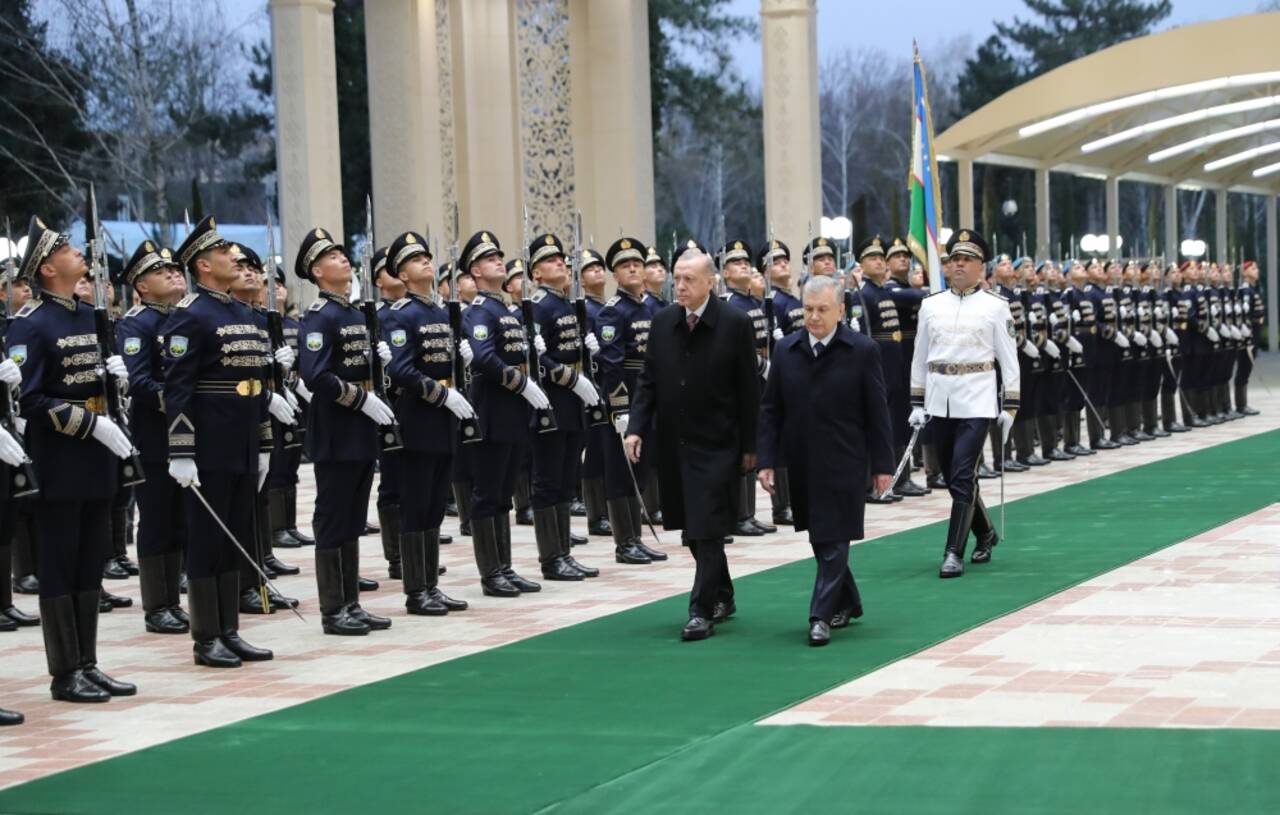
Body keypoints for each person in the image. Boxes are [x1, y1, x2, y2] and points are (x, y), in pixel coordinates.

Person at [10, 215, 136, 700]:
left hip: (98, 459)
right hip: (61, 458)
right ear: (46, 268)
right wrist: (90, 423)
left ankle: (89, 661)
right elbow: (31, 400)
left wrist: (115, 384)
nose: (78, 253)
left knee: (91, 562)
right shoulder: (30, 324)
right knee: (61, 564)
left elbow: (97, 382)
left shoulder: (91, 316)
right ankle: (65, 672)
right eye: (66, 248)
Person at [623, 245, 759, 642]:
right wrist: (636, 427)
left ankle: (700, 610)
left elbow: (749, 389)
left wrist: (752, 445)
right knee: (692, 529)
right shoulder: (663, 322)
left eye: (688, 280)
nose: (679, 286)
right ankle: (724, 592)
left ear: (709, 283)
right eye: (676, 278)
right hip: (674, 442)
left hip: (719, 442)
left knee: (708, 525)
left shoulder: (734, 323)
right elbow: (648, 380)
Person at [163, 216, 276, 668]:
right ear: (204, 265)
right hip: (208, 447)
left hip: (243, 442)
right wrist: (182, 451)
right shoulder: (190, 316)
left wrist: (264, 441)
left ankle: (230, 629)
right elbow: (177, 389)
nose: (236, 258)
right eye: (225, 253)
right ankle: (206, 636)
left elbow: (258, 383)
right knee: (208, 542)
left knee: (236, 538)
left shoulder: (243, 312)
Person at [758, 276, 893, 646]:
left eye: (822, 310)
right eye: (808, 309)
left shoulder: (862, 350)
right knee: (821, 538)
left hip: (845, 460)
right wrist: (766, 460)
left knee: (834, 538)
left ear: (840, 311)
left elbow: (877, 413)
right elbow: (771, 410)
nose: (814, 318)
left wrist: (883, 466)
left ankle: (820, 615)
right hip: (801, 462)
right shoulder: (786, 350)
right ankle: (848, 600)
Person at [296, 227, 394, 635]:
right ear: (317, 271)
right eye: (333, 257)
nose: (344, 260)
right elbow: (316, 375)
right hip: (337, 428)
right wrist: (361, 399)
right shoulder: (320, 317)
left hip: (359, 429)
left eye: (342, 253)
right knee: (334, 517)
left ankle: (351, 602)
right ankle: (333, 609)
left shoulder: (356, 313)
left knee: (354, 515)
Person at [909, 228, 1019, 579]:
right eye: (954, 259)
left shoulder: (995, 307)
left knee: (961, 475)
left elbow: (1009, 359)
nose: (958, 265)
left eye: (966, 259)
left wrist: (1010, 406)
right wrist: (916, 401)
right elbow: (919, 356)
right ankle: (985, 532)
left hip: (977, 399)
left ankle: (952, 552)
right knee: (954, 476)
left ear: (981, 267)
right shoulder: (931, 305)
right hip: (940, 399)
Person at [381, 231, 472, 614]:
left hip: (442, 420)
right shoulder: (403, 315)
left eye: (427, 256)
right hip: (418, 418)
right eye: (416, 259)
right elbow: (401, 370)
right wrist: (441, 393)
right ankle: (416, 590)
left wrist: (461, 366)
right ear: (402, 274)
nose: (426, 262)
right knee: (417, 504)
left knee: (435, 505)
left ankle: (431, 584)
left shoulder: (440, 311)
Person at [460, 230, 546, 596]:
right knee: (487, 492)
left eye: (499, 255)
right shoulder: (480, 311)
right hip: (491, 411)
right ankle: (490, 572)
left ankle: (505, 567)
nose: (499, 261)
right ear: (476, 272)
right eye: (489, 258)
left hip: (512, 411)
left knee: (505, 492)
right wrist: (520, 382)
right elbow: (483, 357)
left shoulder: (507, 311)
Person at [115, 241, 190, 634]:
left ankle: (173, 600)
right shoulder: (137, 323)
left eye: (176, 270)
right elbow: (140, 380)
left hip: (188, 436)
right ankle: (156, 605)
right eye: (162, 272)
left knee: (180, 520)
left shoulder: (183, 317)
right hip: (156, 434)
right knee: (158, 519)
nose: (174, 274)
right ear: (141, 287)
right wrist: (181, 403)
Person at [526, 233, 603, 580]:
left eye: (562, 259)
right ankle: (550, 558)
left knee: (565, 480)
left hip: (572, 405)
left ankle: (564, 553)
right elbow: (534, 359)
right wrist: (571, 379)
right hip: (550, 404)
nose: (562, 263)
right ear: (536, 274)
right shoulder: (538, 306)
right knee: (548, 480)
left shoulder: (569, 304)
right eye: (551, 260)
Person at [595, 238, 665, 564]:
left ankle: (636, 536)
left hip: (650, 394)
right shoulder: (613, 313)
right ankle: (624, 542)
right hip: (627, 394)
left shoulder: (652, 307)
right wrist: (620, 408)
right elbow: (611, 365)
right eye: (625, 265)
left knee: (641, 468)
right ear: (616, 275)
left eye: (637, 263)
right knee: (621, 469)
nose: (634, 268)